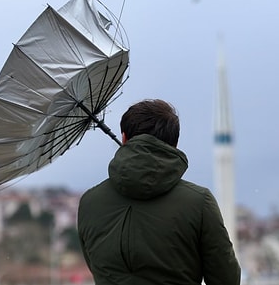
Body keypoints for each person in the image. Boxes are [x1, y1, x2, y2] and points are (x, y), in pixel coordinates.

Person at [78, 99, 241, 285]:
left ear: (124, 138)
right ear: (175, 143)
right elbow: (226, 278)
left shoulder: (89, 203)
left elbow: (96, 266)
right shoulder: (199, 202)